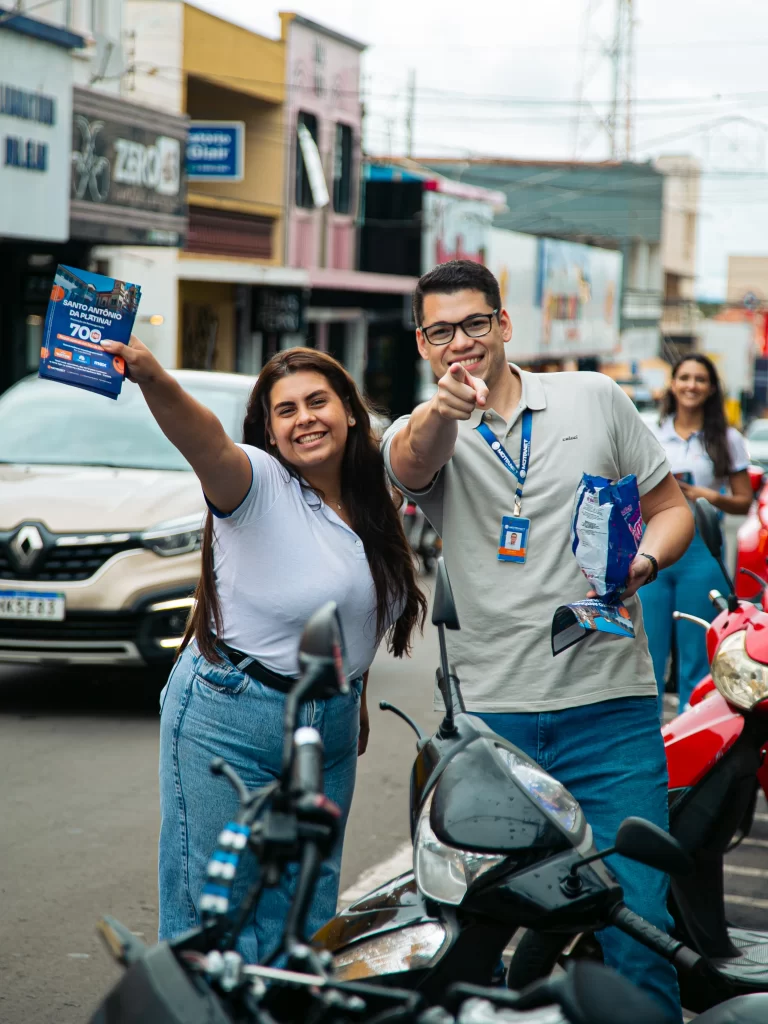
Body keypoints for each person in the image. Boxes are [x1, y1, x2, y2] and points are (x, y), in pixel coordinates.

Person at [382, 260, 694, 1021]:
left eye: (476, 324)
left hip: (610, 712)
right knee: (471, 947)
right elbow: (407, 464)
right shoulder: (423, 431)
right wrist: (444, 414)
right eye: (442, 331)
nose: (461, 343)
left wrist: (643, 564)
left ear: (504, 325)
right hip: (493, 729)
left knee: (640, 935)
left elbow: (672, 508)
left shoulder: (593, 397)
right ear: (423, 344)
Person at [100, 336, 426, 963]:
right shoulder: (254, 483)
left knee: (303, 913)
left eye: (317, 401)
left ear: (350, 410)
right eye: (286, 410)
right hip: (231, 715)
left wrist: (350, 691)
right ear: (270, 431)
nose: (305, 418)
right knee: (214, 917)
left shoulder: (369, 499)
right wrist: (151, 378)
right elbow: (202, 440)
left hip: (324, 724)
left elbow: (354, 614)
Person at [640, 354, 752, 713]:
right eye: (684, 377)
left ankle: (695, 735)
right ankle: (647, 738)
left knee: (698, 653)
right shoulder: (649, 432)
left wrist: (709, 495)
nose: (691, 385)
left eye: (700, 379)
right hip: (652, 551)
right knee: (646, 653)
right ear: (672, 384)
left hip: (702, 555)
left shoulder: (728, 439)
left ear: (711, 388)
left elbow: (743, 502)